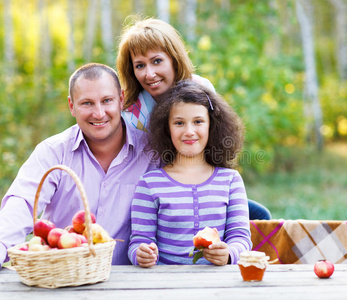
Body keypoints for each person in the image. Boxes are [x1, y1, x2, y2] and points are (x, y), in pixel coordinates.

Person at [0, 63, 158, 268]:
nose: (99, 113)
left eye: (107, 100)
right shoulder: (53, 152)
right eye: (87, 103)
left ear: (121, 99)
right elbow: (22, 203)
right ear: (72, 106)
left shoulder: (151, 153)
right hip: (62, 279)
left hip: (129, 280)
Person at [116, 16, 271, 220]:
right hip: (156, 195)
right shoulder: (130, 108)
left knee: (260, 216)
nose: (149, 74)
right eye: (140, 65)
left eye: (157, 61)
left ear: (174, 58)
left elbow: (216, 143)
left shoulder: (200, 89)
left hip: (201, 185)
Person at [129, 80, 252, 267]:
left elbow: (241, 238)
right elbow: (138, 241)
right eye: (179, 123)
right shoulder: (149, 184)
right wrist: (140, 254)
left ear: (212, 125)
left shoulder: (230, 181)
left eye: (198, 122)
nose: (189, 131)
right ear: (166, 128)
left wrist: (229, 254)